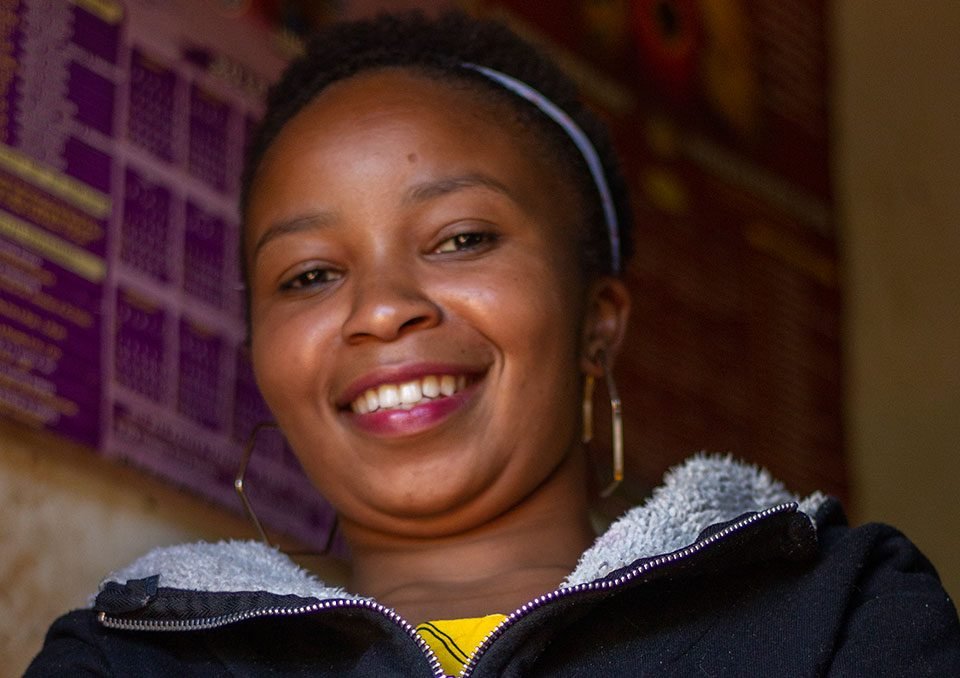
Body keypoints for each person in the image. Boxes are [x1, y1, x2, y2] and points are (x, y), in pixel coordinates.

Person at [27, 11, 960, 677]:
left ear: (598, 321)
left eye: (462, 238)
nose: (380, 310)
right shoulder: (129, 658)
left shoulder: (837, 611)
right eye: (309, 275)